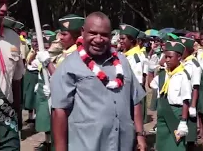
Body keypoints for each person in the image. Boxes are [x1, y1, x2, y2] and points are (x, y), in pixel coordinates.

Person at [50, 12, 147, 151]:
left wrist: (140, 135)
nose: (98, 39)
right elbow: (59, 111)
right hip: (87, 145)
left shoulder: (122, 61)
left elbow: (135, 99)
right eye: (93, 33)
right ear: (83, 32)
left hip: (123, 144)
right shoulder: (70, 66)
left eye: (104, 34)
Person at [35, 15, 85, 150]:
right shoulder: (67, 52)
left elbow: (63, 79)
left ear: (76, 35)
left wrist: (48, 63)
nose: (60, 38)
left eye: (64, 34)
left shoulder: (79, 54)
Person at [149, 41, 191, 151]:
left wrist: (183, 121)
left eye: (170, 57)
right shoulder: (163, 73)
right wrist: (150, 70)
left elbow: (186, 100)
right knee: (162, 143)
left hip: (176, 113)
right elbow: (151, 84)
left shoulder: (183, 75)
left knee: (175, 144)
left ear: (179, 57)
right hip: (162, 112)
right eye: (165, 57)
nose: (167, 60)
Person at [0, 0, 25, 150]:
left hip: (6, 121)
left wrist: (17, 112)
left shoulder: (13, 38)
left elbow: (16, 81)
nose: (4, 9)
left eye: (6, 3)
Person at [119, 24, 148, 124]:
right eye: (120, 39)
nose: (120, 41)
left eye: (123, 39)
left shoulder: (136, 58)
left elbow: (137, 83)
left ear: (131, 40)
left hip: (130, 97)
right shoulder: (123, 55)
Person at [179, 36, 201, 150]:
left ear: (187, 50)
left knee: (190, 126)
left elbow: (196, 86)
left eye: (182, 49)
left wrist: (193, 105)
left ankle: (191, 145)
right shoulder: (182, 61)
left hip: (191, 96)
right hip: (180, 95)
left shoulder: (194, 64)